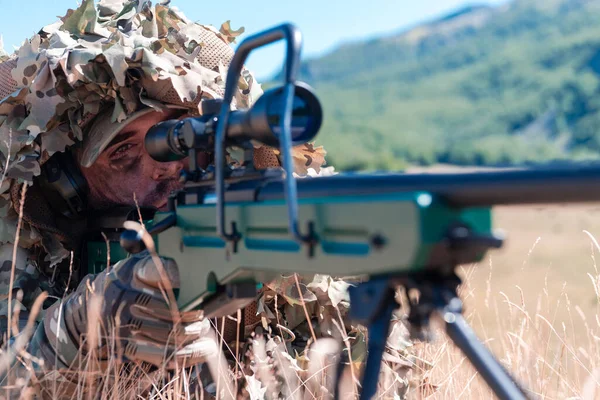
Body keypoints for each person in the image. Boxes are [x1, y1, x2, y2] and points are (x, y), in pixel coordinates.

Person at [0, 1, 413, 398]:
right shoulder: (16, 230)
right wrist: (82, 326)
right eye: (122, 152)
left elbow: (371, 358)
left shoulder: (252, 214)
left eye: (177, 133)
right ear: (64, 176)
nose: (163, 165)